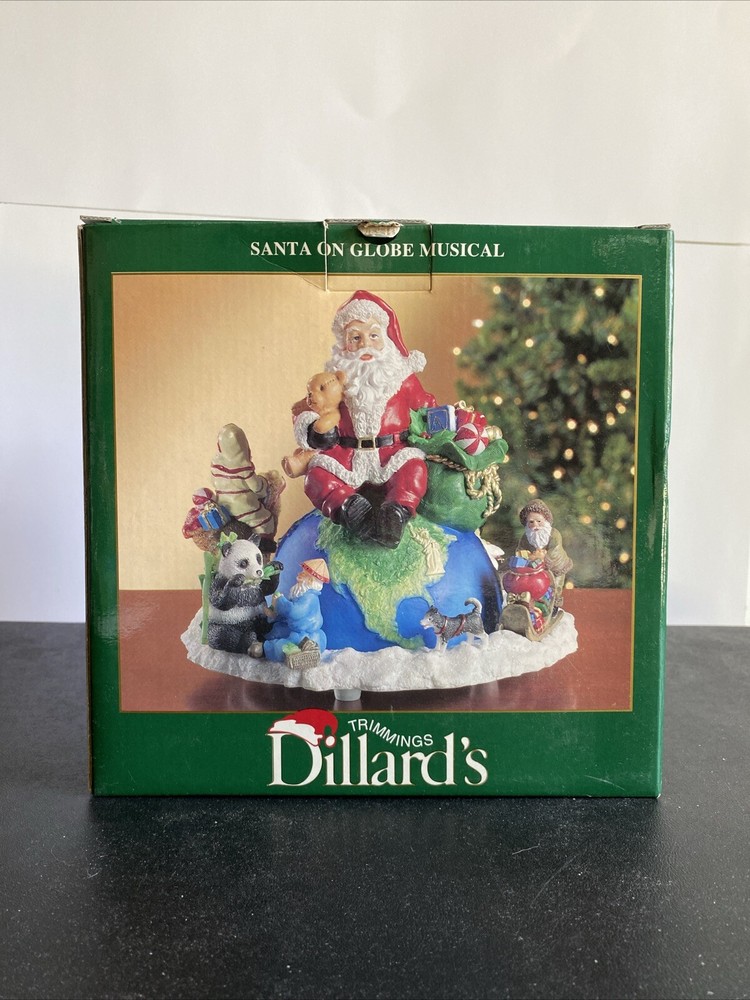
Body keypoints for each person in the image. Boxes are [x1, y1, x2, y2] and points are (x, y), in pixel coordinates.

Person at [293, 290, 436, 548]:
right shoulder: (333, 381)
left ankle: (395, 514)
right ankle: (353, 511)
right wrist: (312, 429)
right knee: (316, 476)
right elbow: (308, 408)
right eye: (355, 337)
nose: (365, 345)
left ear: (386, 338)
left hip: (392, 451)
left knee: (414, 469)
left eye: (373, 336)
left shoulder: (402, 377)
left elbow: (425, 405)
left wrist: (445, 423)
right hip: (347, 453)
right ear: (343, 343)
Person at [263, 559, 329, 662]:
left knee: (283, 646)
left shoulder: (309, 597)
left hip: (303, 634)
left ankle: (265, 649)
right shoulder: (301, 594)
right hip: (293, 628)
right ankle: (264, 642)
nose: (299, 574)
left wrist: (280, 600)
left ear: (310, 580)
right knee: (276, 630)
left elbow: (294, 611)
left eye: (303, 574)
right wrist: (274, 614)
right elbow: (287, 614)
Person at [515, 499, 573, 609]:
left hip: (555, 568)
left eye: (539, 521)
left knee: (554, 587)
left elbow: (555, 551)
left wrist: (542, 558)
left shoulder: (554, 534)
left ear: (545, 520)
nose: (535, 525)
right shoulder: (526, 537)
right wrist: (526, 557)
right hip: (533, 569)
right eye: (531, 522)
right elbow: (520, 551)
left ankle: (554, 605)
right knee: (532, 588)